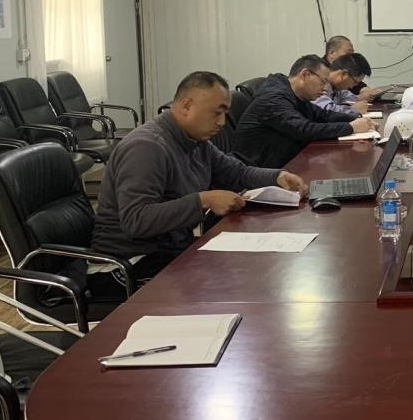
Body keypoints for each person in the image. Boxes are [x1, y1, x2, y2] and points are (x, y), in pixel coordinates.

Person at [90, 71, 308, 287]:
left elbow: (237, 173)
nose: (222, 122)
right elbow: (136, 220)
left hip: (168, 249)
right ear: (186, 106)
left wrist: (277, 176)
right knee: (231, 284)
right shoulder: (146, 147)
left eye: (225, 114)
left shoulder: (196, 142)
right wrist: (203, 200)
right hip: (127, 263)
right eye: (216, 113)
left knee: (251, 270)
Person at [233, 54, 374, 169]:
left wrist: (358, 119)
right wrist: (350, 127)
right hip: (258, 171)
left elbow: (323, 115)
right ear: (305, 74)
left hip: (285, 162)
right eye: (323, 82)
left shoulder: (295, 93)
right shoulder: (274, 98)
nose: (325, 88)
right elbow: (303, 130)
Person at [325, 35, 379, 101]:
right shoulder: (321, 76)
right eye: (348, 52)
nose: (351, 56)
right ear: (331, 53)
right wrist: (355, 105)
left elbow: (347, 93)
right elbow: (325, 106)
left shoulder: (338, 83)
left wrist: (367, 92)